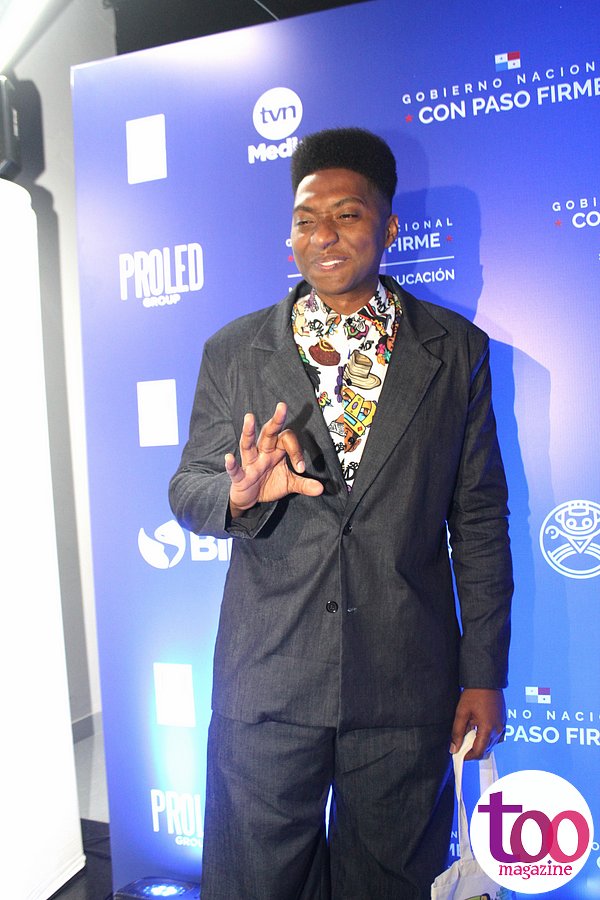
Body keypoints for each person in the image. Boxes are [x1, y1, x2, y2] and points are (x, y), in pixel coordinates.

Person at [169, 127, 512, 899]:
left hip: (406, 681)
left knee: (390, 884)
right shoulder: (234, 350)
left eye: (347, 215)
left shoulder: (456, 350)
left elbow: (480, 523)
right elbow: (189, 487)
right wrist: (238, 494)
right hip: (268, 678)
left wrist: (483, 674)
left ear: (389, 228)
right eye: (305, 219)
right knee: (255, 884)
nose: (322, 235)